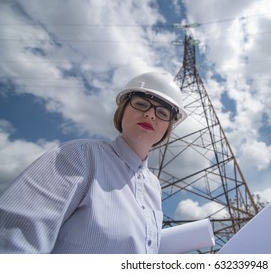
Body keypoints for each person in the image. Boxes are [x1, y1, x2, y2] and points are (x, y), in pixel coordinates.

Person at [0, 72, 187, 253]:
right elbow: (14, 241)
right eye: (141, 104)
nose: (150, 115)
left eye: (162, 113)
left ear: (169, 127)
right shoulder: (77, 156)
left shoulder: (153, 186)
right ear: (122, 110)